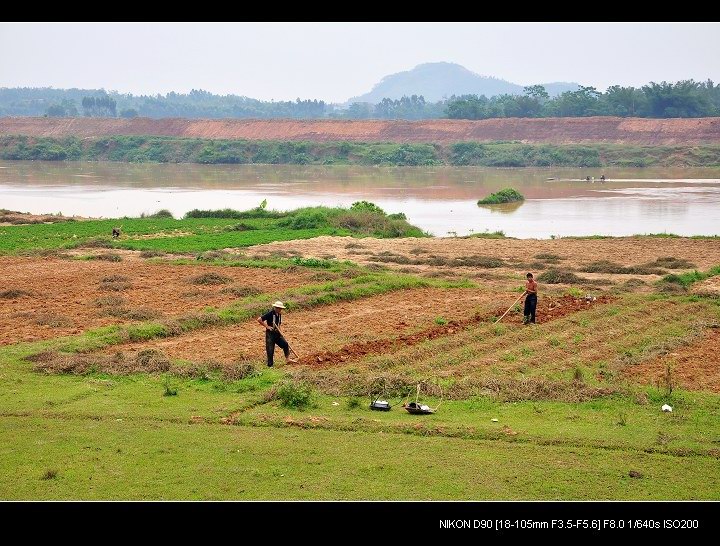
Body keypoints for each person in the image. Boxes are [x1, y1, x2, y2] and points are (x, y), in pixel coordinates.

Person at [257, 301, 297, 367]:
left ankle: (288, 359)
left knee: (285, 344)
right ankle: (270, 366)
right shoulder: (270, 314)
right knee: (270, 349)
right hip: (270, 334)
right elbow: (259, 319)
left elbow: (278, 324)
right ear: (275, 307)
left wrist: (280, 331)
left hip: (277, 333)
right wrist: (267, 326)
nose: (280, 309)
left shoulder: (279, 314)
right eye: (278, 308)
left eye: (281, 308)